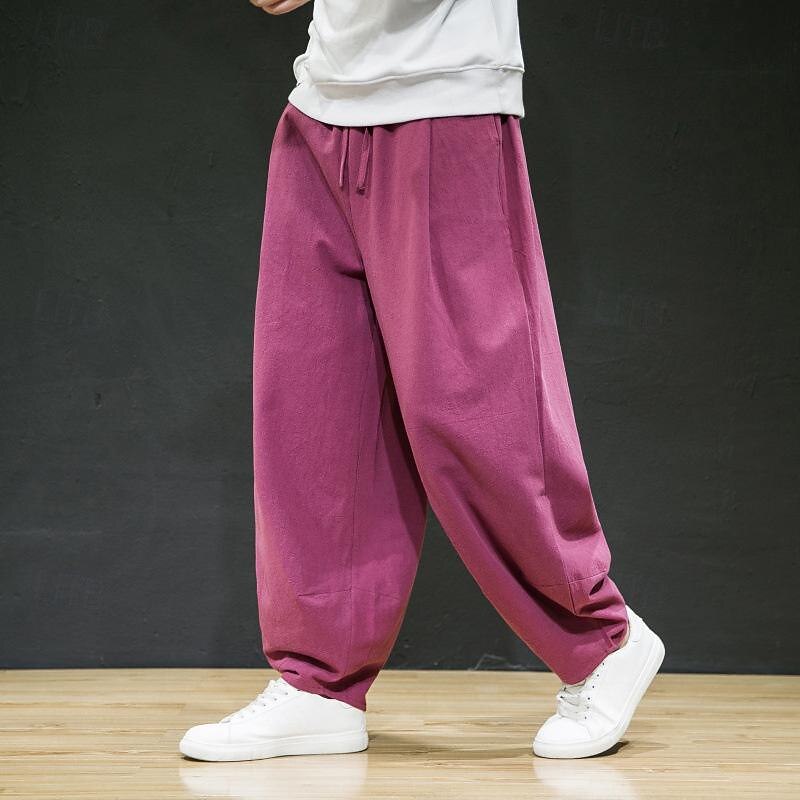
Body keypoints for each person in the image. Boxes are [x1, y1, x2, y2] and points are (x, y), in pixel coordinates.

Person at [179, 0, 665, 762]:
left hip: (443, 95)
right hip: (325, 99)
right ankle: (320, 681)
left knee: (473, 410)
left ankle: (603, 640)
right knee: (313, 410)